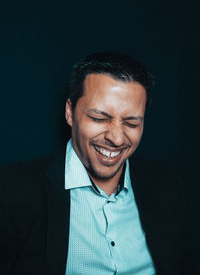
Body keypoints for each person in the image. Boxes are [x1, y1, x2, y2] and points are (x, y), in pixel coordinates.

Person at [0, 52, 191, 275]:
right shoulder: (12, 192)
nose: (117, 139)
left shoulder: (166, 184)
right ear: (70, 112)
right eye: (100, 118)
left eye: (131, 123)